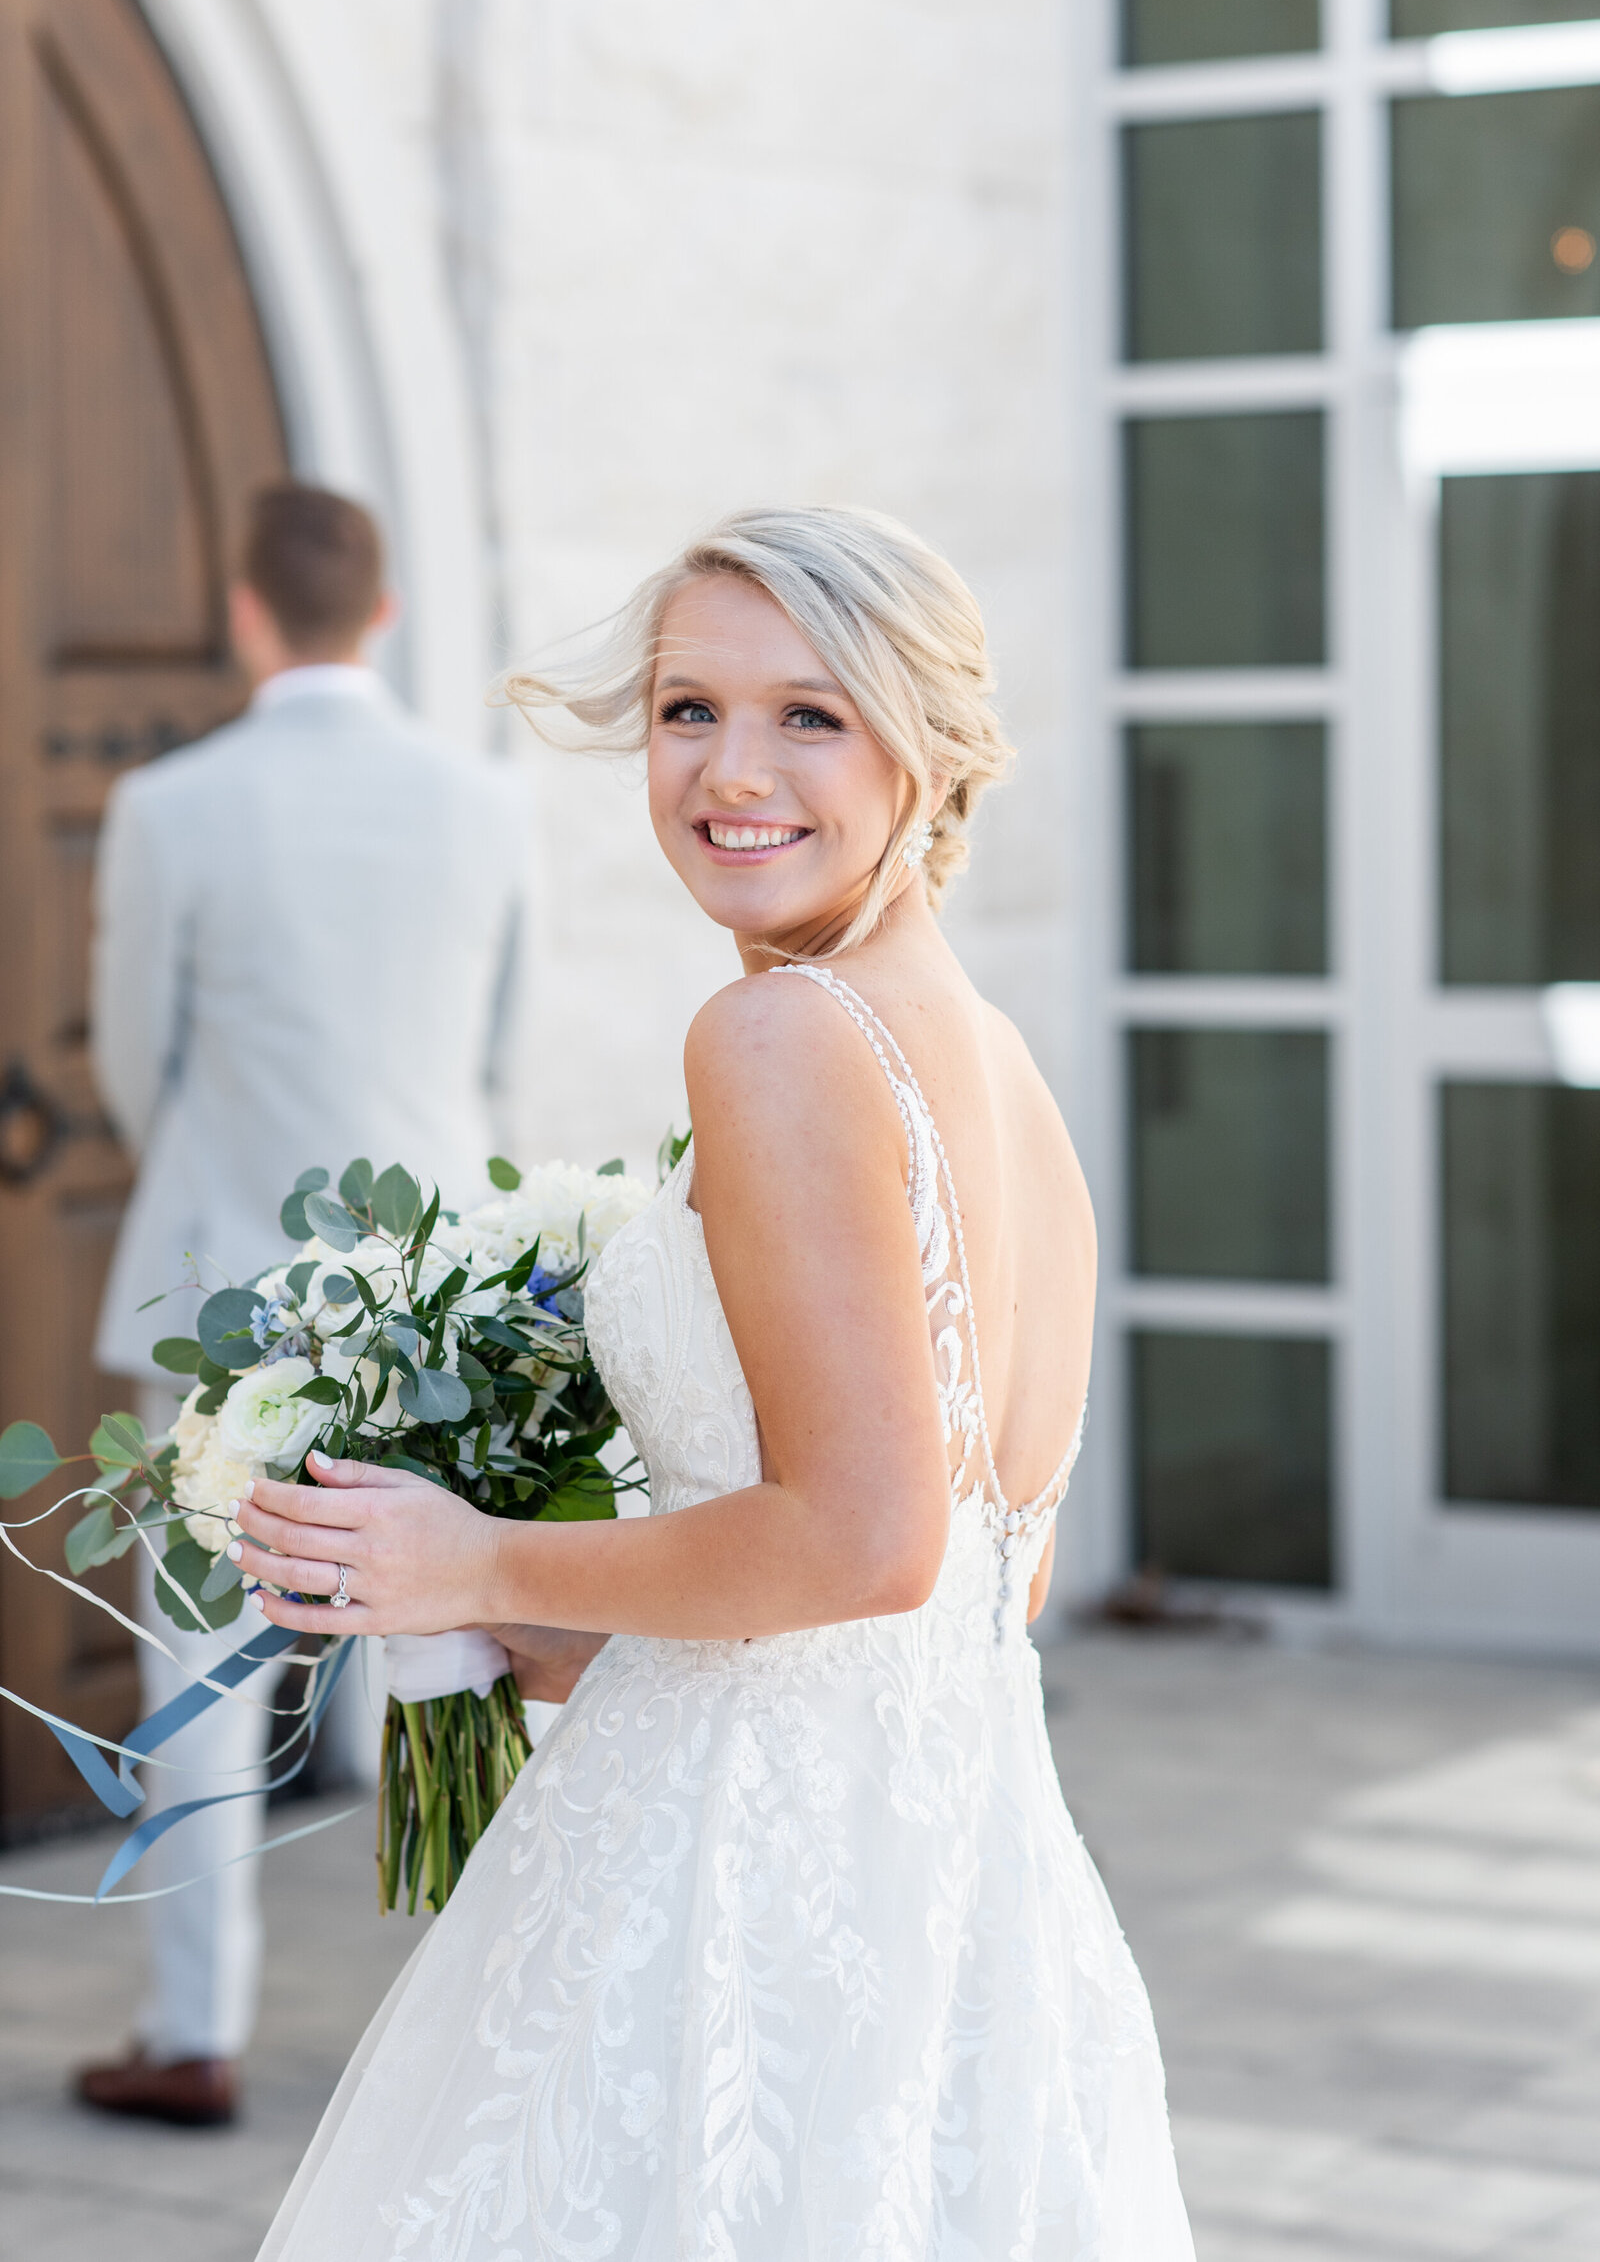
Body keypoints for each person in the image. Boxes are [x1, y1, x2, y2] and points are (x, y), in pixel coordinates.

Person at [243, 506, 1195, 2256]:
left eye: (809, 715)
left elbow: (870, 1538)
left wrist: (477, 1558)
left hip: (735, 1921)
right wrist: (585, 1638)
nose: (726, 770)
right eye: (689, 709)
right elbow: (986, 1584)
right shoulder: (1001, 1070)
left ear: (930, 745)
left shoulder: (776, 1034)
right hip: (968, 1922)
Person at [77, 483, 534, 2129]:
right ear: (385, 611)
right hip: (429, 1288)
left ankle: (194, 2028)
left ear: (246, 609)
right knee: (444, 1653)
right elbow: (496, 1046)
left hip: (224, 1299)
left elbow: (137, 1054)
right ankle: (479, 2032)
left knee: (199, 1673)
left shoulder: (173, 804)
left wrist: (203, 1185)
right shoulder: (488, 806)